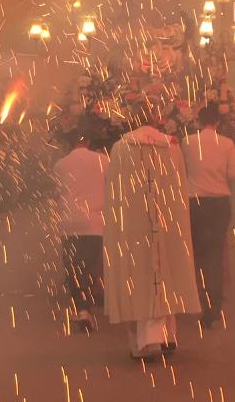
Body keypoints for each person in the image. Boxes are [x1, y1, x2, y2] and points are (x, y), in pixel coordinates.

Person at [103, 103, 200, 359]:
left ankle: (141, 342)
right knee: (165, 271)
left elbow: (115, 191)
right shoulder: (171, 147)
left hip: (133, 223)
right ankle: (167, 335)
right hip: (166, 218)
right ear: (157, 121)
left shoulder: (121, 148)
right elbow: (179, 187)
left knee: (137, 277)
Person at [182, 102, 235, 327]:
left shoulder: (188, 142)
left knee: (198, 253)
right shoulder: (226, 144)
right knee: (215, 252)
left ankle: (201, 299)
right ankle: (215, 303)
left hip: (195, 202)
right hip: (219, 203)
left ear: (198, 121)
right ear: (217, 122)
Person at [53, 118, 107, 332]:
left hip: (69, 222)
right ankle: (88, 303)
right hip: (94, 222)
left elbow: (58, 193)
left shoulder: (60, 165)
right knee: (90, 265)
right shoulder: (103, 160)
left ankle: (82, 309)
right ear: (89, 141)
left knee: (74, 267)